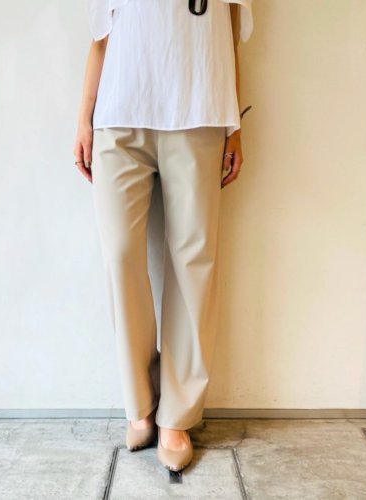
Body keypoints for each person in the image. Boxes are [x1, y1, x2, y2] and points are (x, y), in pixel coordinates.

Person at [73, 0, 253, 472]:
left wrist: (234, 125)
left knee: (194, 259)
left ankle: (177, 415)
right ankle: (141, 403)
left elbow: (229, 30)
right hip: (119, 113)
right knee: (120, 255)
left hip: (199, 107)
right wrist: (84, 117)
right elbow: (101, 36)